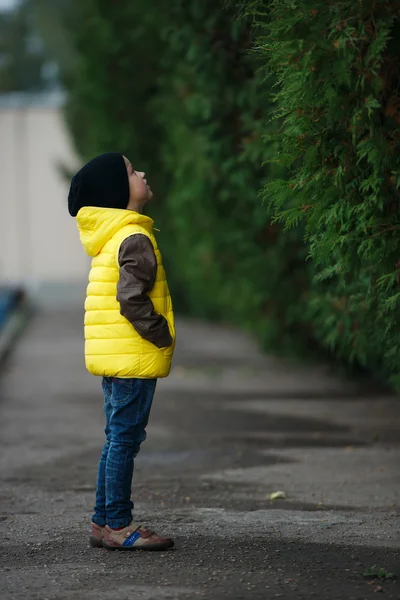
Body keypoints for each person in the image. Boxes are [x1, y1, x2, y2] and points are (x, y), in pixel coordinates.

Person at [68, 152, 175, 551]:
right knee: (125, 440)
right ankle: (118, 524)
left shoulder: (110, 237)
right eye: (132, 171)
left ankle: (102, 521)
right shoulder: (135, 237)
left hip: (116, 357)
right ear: (118, 191)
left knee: (116, 438)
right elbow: (131, 298)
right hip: (133, 355)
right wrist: (160, 333)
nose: (142, 173)